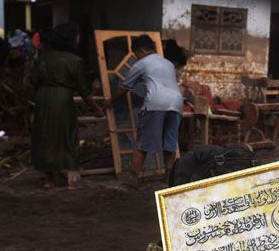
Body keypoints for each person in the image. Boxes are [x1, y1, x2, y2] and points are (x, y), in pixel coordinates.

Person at [31, 22, 104, 190]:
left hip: (42, 98)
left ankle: (48, 179)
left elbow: (34, 80)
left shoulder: (44, 57)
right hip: (62, 99)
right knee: (67, 135)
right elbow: (84, 91)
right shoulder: (75, 61)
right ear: (71, 39)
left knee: (44, 135)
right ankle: (72, 177)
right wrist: (96, 108)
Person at [110, 35, 183, 181]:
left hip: (156, 104)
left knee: (142, 143)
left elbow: (124, 88)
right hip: (176, 103)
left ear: (142, 50)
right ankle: (168, 177)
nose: (136, 57)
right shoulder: (168, 63)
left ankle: (133, 178)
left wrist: (109, 101)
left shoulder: (141, 64)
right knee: (170, 143)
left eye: (136, 54)